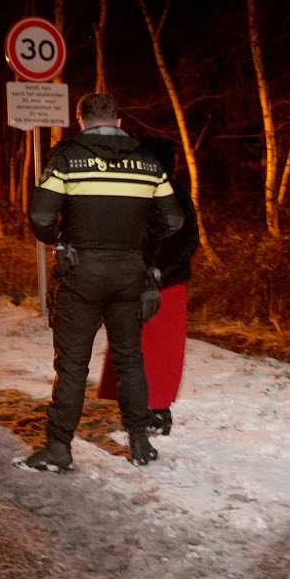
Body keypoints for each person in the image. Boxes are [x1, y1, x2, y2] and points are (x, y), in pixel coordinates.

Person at [19, 92, 184, 472]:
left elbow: (40, 216)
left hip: (82, 274)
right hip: (129, 274)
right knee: (129, 360)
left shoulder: (67, 159)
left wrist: (60, 241)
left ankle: (59, 447)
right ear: (120, 122)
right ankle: (140, 443)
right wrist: (144, 244)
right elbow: (173, 221)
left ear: (81, 121)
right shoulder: (148, 163)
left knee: (73, 366)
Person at [97, 138, 198, 436]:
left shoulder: (173, 194)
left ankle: (157, 411)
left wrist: (158, 271)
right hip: (134, 281)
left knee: (158, 350)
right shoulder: (137, 190)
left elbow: (186, 240)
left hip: (164, 285)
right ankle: (136, 404)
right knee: (131, 344)